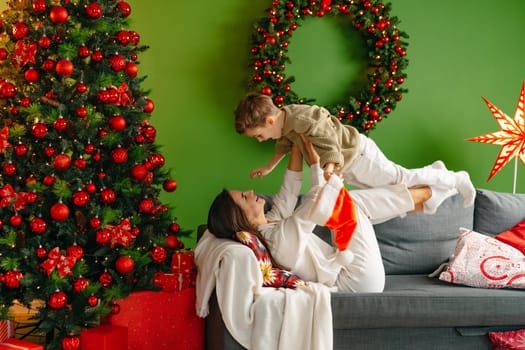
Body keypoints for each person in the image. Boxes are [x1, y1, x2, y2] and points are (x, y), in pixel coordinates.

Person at [207, 135, 432, 293]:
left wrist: (296, 146)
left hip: (348, 269)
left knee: (353, 204)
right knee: (351, 203)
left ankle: (425, 199)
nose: (250, 191)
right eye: (244, 198)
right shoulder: (277, 242)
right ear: (241, 218)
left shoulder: (270, 225)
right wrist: (321, 170)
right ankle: (430, 192)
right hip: (357, 281)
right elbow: (312, 210)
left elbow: (289, 191)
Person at [233, 92, 475, 214]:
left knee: (400, 179)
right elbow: (283, 145)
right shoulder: (285, 124)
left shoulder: (303, 118)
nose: (260, 139)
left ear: (269, 120)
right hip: (348, 167)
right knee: (389, 194)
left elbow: (327, 138)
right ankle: (438, 182)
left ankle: (455, 178)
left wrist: (329, 167)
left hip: (358, 154)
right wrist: (270, 166)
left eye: (258, 135)